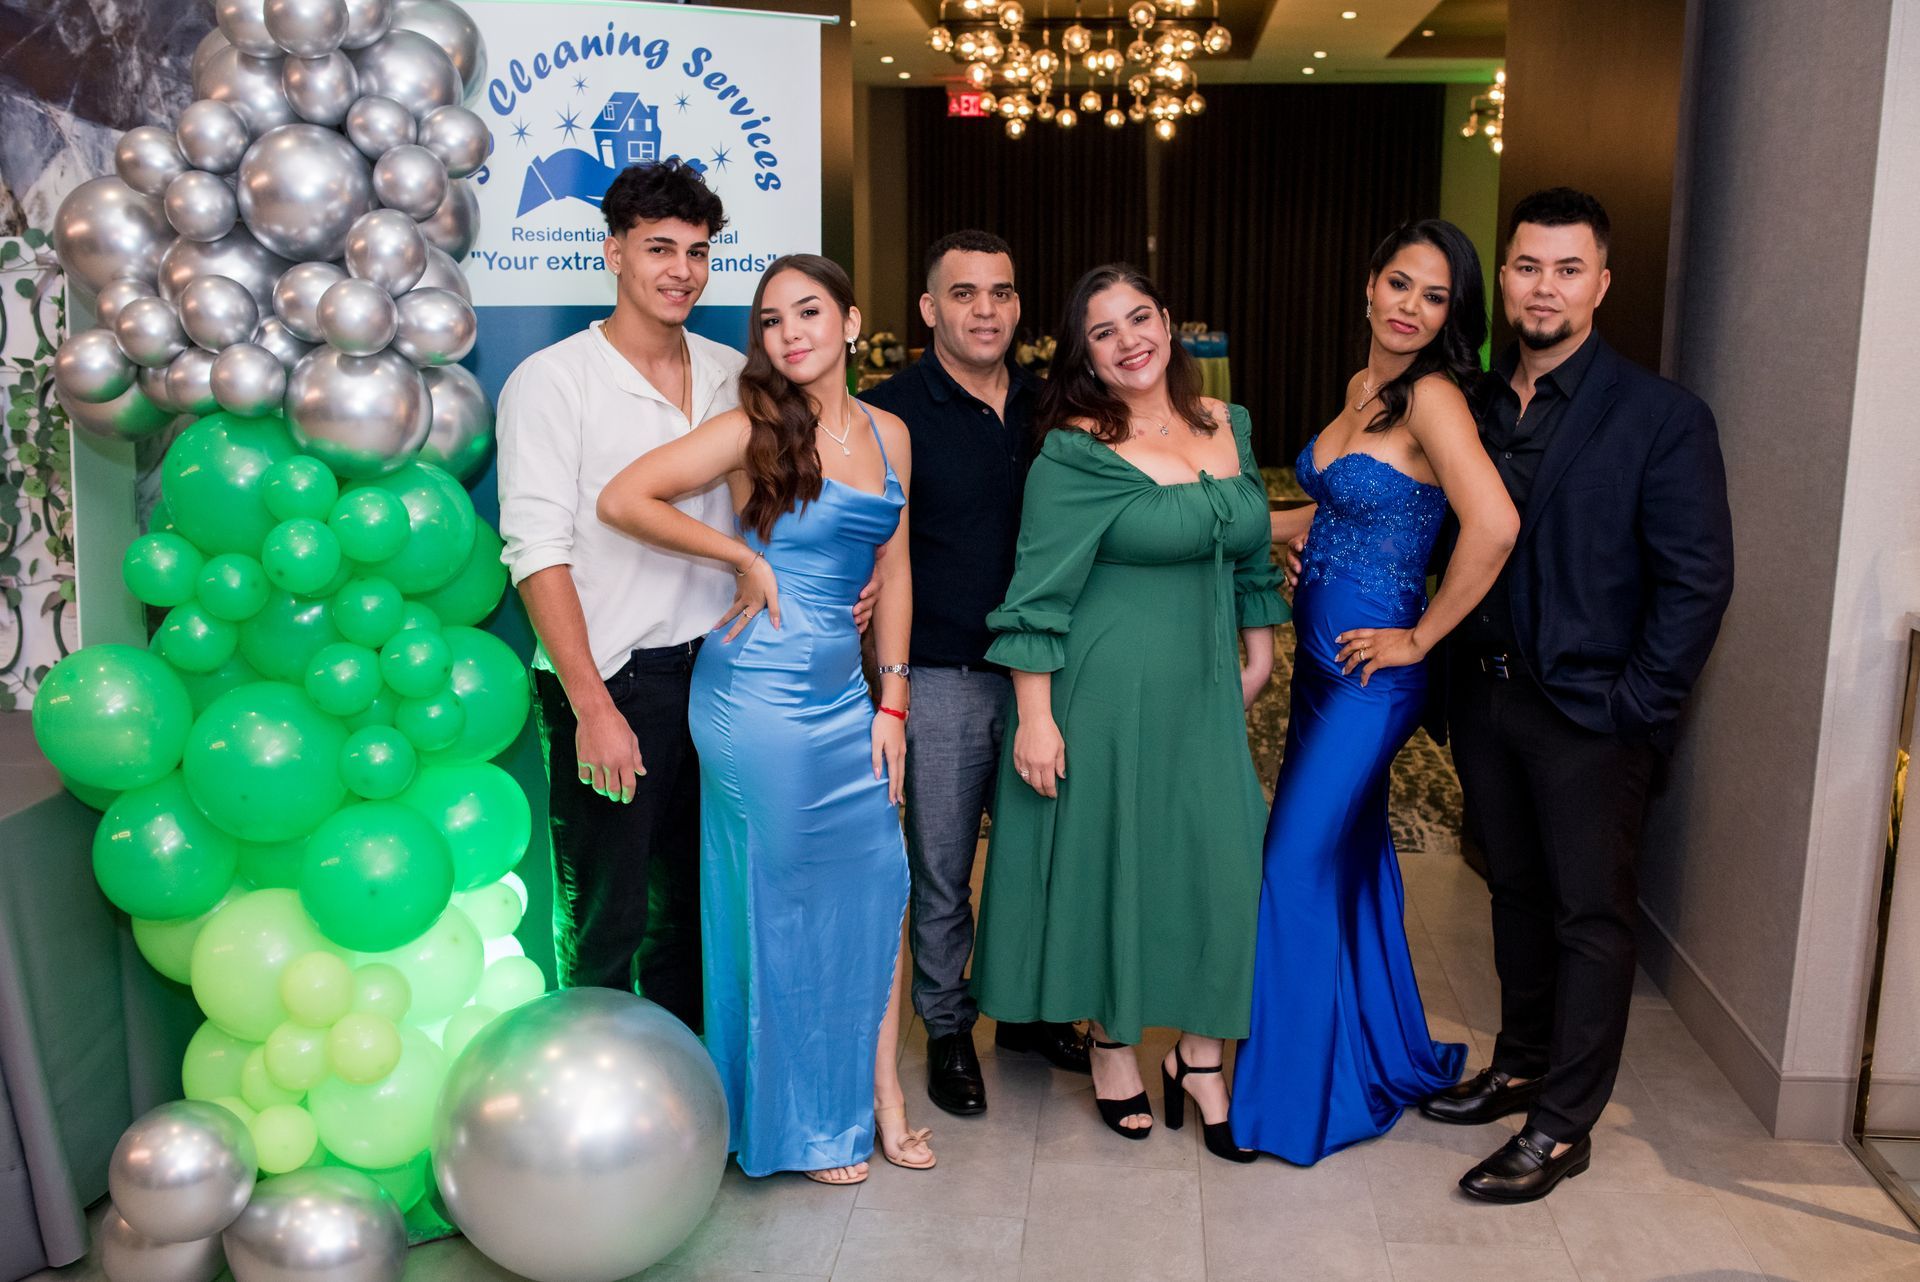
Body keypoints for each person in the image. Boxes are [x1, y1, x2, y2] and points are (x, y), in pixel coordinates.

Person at [1417, 188, 1734, 1202]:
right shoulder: (1464, 403)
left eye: (1565, 269)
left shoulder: (1661, 416)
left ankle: (1563, 1125)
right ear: (1501, 278)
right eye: (1525, 266)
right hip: (1487, 697)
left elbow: (1696, 579)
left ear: (1601, 282)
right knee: (1512, 893)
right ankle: (1519, 1063)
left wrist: (1634, 708)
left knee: (1591, 916)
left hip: (1594, 716)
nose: (1542, 287)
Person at [596, 254, 934, 1186]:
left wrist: (892, 700)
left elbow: (896, 573)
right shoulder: (752, 429)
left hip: (847, 699)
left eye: (809, 312)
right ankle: (802, 1120)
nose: (790, 334)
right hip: (757, 696)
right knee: (783, 908)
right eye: (773, 321)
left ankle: (882, 1099)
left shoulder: (892, 434)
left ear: (853, 322)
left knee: (878, 885)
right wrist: (740, 560)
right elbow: (624, 497)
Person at [970, 263, 1287, 1162]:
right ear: (1086, 357)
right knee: (1116, 859)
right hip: (1102, 687)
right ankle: (1112, 1043)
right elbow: (1034, 593)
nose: (1128, 340)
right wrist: (1036, 715)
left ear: (1169, 322)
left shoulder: (1229, 424)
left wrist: (1261, 647)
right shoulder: (1075, 450)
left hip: (1201, 686)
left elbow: (1249, 547)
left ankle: (1197, 1054)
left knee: (1217, 855)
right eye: (1103, 332)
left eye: (1139, 318)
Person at [1228, 220, 1518, 1164]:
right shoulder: (1368, 390)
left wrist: (1420, 636)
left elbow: (1495, 525)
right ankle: (1375, 1048)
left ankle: (1291, 1102)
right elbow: (1340, 505)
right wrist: (1230, 523)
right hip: (1318, 670)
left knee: (1292, 862)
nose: (1411, 307)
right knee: (1347, 860)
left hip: (1368, 675)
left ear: (1450, 319)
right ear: (1369, 287)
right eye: (1401, 284)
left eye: (1435, 298)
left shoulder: (1432, 395)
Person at [496, 160, 739, 1028]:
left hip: (718, 681)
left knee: (697, 913)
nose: (681, 270)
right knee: (606, 917)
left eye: (699, 252)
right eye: (660, 248)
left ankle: (687, 1109)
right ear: (614, 252)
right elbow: (536, 552)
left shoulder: (732, 373)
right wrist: (592, 704)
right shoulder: (553, 381)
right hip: (615, 681)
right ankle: (592, 1128)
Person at [858, 230, 1090, 1119]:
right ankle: (949, 1027)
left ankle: (1026, 1012)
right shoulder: (888, 413)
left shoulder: (1054, 406)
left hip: (1049, 673)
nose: (984, 310)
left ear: (1019, 306)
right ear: (928, 309)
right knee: (943, 866)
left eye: (999, 292)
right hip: (944, 672)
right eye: (963, 294)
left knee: (1039, 858)